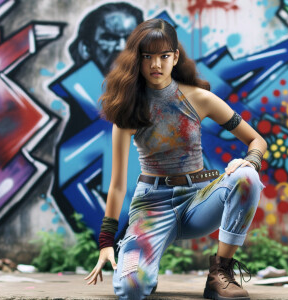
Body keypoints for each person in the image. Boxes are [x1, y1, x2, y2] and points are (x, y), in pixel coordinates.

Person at [84, 18, 267, 300]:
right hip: (150, 207)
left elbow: (257, 140)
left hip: (199, 200)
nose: (155, 64)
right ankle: (142, 269)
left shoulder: (199, 99)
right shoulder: (128, 111)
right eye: (147, 57)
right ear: (137, 60)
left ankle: (221, 272)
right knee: (130, 290)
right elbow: (118, 185)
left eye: (163, 56)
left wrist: (251, 160)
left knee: (247, 178)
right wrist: (106, 241)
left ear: (175, 57)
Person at [69, 2, 143, 75]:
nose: (122, 47)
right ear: (86, 48)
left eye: (131, 39)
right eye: (110, 39)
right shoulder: (67, 86)